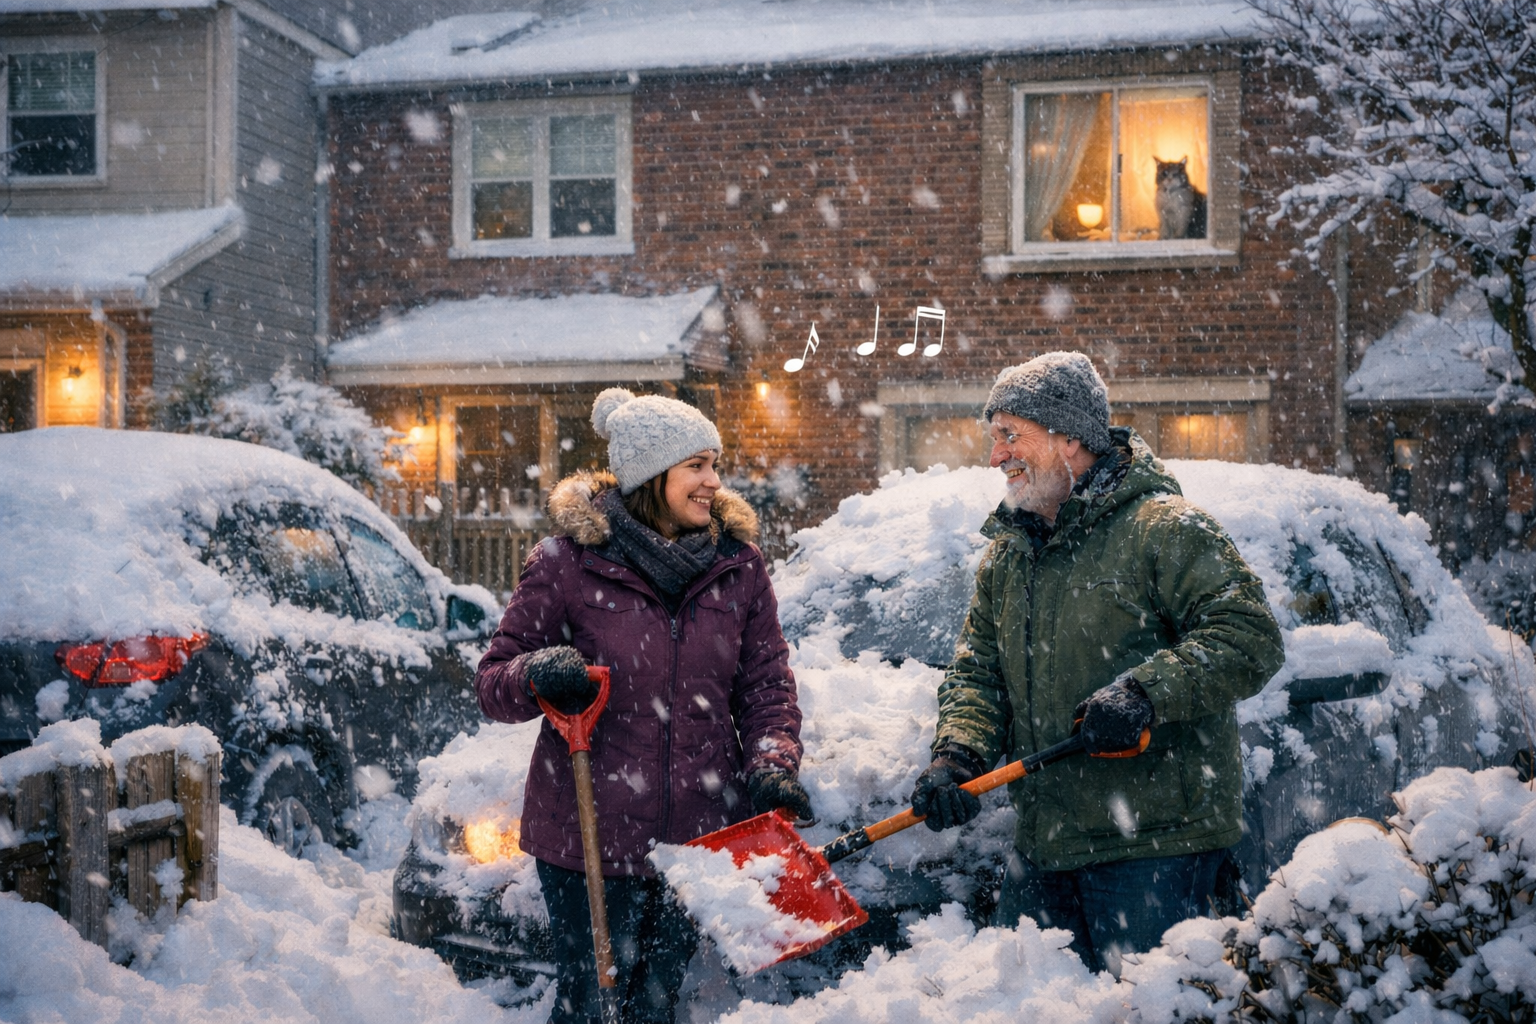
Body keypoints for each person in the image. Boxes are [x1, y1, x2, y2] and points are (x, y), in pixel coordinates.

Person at [911, 352, 1284, 975]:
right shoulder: (1009, 558)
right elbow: (978, 673)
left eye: (1010, 435)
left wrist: (1145, 693)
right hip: (1044, 849)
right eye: (993, 437)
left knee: (1151, 1012)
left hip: (1155, 848)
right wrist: (958, 757)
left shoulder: (1163, 529)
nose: (995, 456)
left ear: (1069, 437)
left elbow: (1247, 636)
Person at [476, 388, 810, 1024]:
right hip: (587, 837)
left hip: (696, 839)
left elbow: (766, 684)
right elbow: (494, 682)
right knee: (589, 1008)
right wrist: (536, 675)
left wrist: (772, 760)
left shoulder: (738, 568)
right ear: (653, 476)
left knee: (656, 1009)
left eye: (715, 464)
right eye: (698, 465)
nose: (714, 481)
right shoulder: (566, 564)